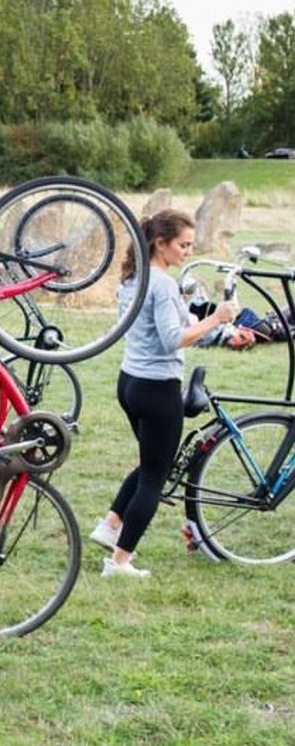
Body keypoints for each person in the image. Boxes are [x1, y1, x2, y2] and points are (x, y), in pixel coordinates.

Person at [90, 209, 238, 578]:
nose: (188, 251)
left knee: (149, 463)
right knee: (156, 476)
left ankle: (109, 525)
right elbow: (174, 339)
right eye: (183, 245)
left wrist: (188, 310)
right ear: (160, 243)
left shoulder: (134, 277)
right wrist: (217, 319)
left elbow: (157, 325)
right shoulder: (161, 283)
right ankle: (120, 561)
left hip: (130, 381)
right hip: (157, 387)